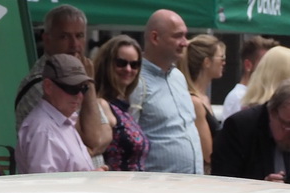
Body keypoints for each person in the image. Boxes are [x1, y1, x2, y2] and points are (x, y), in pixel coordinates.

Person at [14, 6, 110, 158]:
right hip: (58, 180)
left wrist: (93, 146)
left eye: (79, 36)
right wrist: (89, 85)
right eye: (64, 37)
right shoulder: (43, 84)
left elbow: (107, 132)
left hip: (88, 178)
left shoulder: (78, 75)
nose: (74, 45)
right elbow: (94, 138)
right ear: (47, 40)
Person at [212, 81, 290, 191]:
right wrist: (260, 188)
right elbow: (222, 183)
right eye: (289, 124)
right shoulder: (240, 129)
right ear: (272, 113)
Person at [132, 10, 200, 175]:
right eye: (178, 36)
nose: (185, 43)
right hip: (157, 189)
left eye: (186, 35)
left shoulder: (178, 77)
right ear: (155, 38)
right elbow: (129, 138)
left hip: (193, 185)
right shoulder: (136, 81)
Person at [18, 55, 96, 175]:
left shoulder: (60, 121)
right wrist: (92, 179)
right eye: (72, 88)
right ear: (48, 86)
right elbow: (46, 188)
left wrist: (93, 176)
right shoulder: (44, 131)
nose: (79, 95)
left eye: (83, 88)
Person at [90, 35, 150, 172]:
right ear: (107, 64)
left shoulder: (123, 108)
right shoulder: (101, 105)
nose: (128, 69)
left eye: (134, 64)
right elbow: (92, 149)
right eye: (121, 63)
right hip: (115, 188)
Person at [184, 36, 225, 172]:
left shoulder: (202, 99)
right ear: (207, 62)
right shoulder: (195, 102)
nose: (224, 63)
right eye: (221, 58)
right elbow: (208, 154)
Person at [222, 35, 274, 120]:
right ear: (248, 65)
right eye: (264, 63)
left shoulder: (251, 95)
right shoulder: (239, 97)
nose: (269, 68)